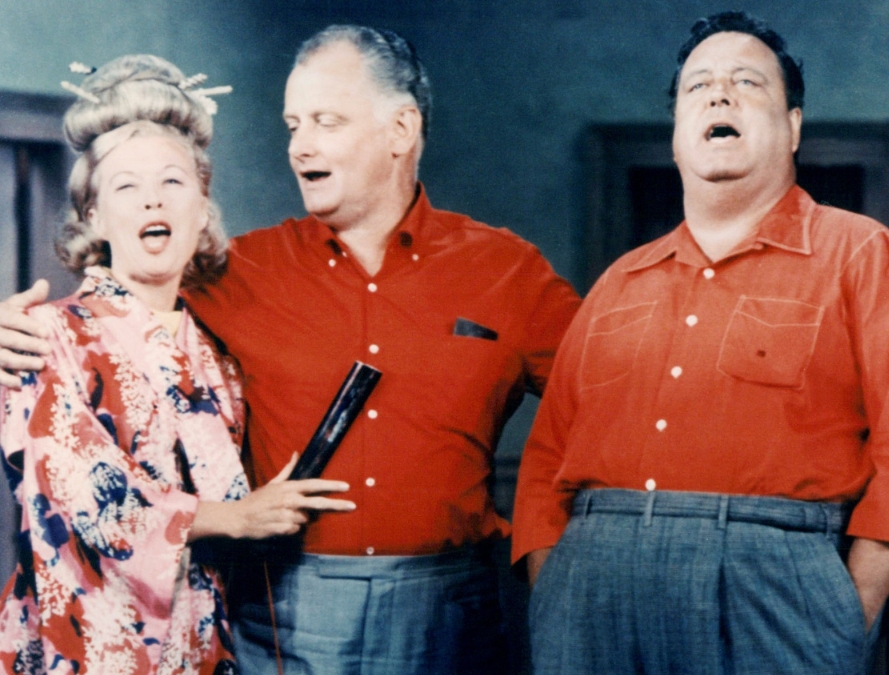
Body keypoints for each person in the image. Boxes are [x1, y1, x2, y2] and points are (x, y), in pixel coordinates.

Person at [1, 26, 579, 675]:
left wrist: (547, 547)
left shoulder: (506, 269)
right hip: (277, 610)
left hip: (452, 604)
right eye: (292, 124)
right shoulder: (237, 271)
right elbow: (122, 292)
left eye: (325, 121)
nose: (300, 145)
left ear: (401, 128)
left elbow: (605, 400)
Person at [512, 11, 889, 675]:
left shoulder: (863, 255)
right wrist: (560, 584)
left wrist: (844, 607)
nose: (719, 95)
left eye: (747, 82)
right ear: (675, 137)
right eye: (699, 87)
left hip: (776, 590)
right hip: (591, 588)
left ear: (793, 127)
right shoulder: (618, 282)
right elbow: (547, 457)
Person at [0, 55, 354, 675]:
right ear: (95, 217)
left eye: (172, 182)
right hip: (87, 644)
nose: (151, 202)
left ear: (201, 207)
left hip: (202, 644)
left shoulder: (215, 353)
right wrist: (237, 517)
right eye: (125, 188)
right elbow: (86, 497)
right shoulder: (49, 334)